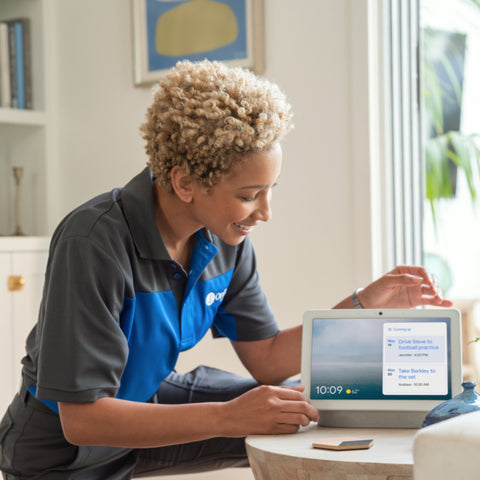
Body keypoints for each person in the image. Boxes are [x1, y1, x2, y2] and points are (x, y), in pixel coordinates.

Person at [0, 60, 452, 479]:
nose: (265, 212)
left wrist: (362, 303)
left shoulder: (225, 240)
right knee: (264, 411)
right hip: (62, 449)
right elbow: (82, 419)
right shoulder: (94, 241)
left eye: (271, 190)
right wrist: (227, 416)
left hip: (147, 399)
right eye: (250, 194)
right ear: (184, 182)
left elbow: (269, 360)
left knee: (302, 406)